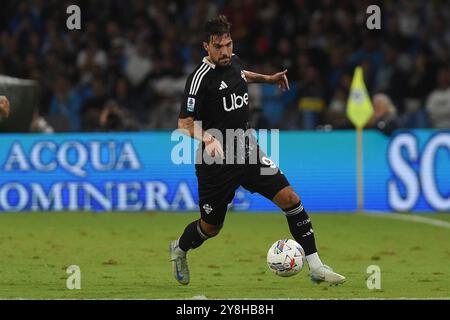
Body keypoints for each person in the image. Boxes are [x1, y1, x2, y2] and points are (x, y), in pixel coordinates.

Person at [170, 15, 345, 286]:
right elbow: (184, 124)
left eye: (228, 44)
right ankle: (180, 249)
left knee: (290, 199)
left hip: (248, 151)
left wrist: (268, 79)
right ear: (206, 47)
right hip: (215, 161)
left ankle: (316, 267)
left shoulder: (234, 60)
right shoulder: (199, 78)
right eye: (218, 47)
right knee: (211, 227)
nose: (225, 51)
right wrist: (207, 139)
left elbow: (242, 75)